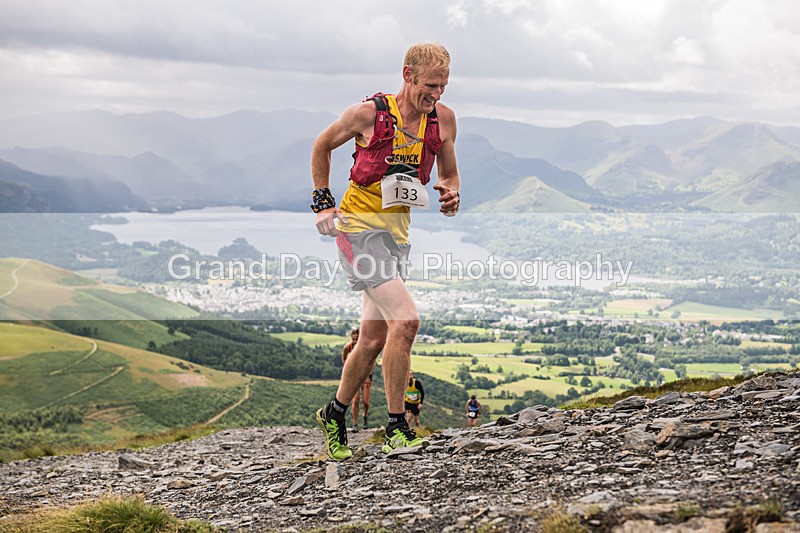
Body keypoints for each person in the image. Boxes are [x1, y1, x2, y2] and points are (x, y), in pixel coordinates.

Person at [311, 42, 461, 461]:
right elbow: (321, 145)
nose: (437, 95)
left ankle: (333, 414)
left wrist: (452, 193)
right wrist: (323, 202)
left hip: (396, 235)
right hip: (358, 231)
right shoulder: (369, 114)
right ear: (407, 74)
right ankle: (396, 426)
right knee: (407, 320)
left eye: (444, 86)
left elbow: (450, 173)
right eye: (430, 85)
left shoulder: (444, 120)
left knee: (374, 338)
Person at [341, 327, 373, 431]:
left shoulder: (366, 348)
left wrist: (368, 375)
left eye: (357, 339)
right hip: (353, 376)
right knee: (355, 400)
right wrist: (348, 367)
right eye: (353, 339)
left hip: (365, 375)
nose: (355, 341)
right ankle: (355, 424)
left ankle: (365, 415)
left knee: (366, 402)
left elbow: (372, 362)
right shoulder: (348, 347)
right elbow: (344, 358)